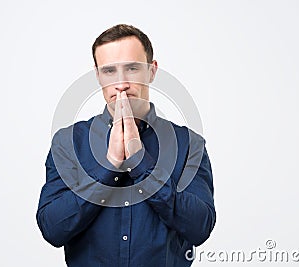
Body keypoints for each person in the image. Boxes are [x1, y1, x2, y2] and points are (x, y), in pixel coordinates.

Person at [36, 24, 216, 267]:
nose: (121, 83)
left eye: (132, 68)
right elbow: (52, 229)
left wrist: (142, 163)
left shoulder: (189, 144)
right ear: (98, 76)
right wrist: (109, 167)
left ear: (152, 71)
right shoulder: (68, 142)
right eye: (109, 71)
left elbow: (200, 228)